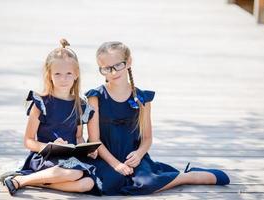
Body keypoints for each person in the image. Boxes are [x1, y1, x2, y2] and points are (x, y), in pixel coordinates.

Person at [85, 41, 230, 195]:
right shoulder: (96, 97)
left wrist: (139, 154)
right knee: (106, 184)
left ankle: (187, 177)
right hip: (105, 158)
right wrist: (116, 165)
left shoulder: (142, 98)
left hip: (133, 157)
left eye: (118, 65)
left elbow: (147, 138)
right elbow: (95, 141)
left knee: (147, 183)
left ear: (128, 62)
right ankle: (167, 177)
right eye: (107, 68)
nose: (113, 72)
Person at [2, 39, 101, 196]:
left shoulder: (79, 105)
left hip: (69, 159)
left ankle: (33, 180)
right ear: (49, 75)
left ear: (76, 74)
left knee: (87, 184)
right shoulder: (41, 103)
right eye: (58, 74)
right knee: (74, 174)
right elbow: (28, 141)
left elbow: (79, 137)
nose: (63, 79)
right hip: (45, 157)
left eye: (69, 73)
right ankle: (20, 181)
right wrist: (50, 146)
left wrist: (87, 150)